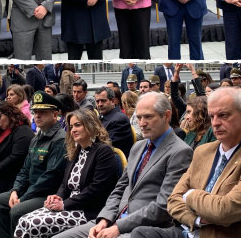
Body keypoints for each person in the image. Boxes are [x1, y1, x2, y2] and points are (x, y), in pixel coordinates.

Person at [55, 92, 193, 238]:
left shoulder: (180, 152)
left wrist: (119, 227)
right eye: (139, 117)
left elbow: (163, 206)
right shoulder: (138, 147)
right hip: (113, 219)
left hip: (143, 229)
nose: (142, 123)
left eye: (148, 116)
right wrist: (104, 219)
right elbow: (120, 188)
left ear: (166, 116)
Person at [151, 87, 241, 238]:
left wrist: (191, 195)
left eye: (223, 115)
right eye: (212, 116)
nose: (215, 123)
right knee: (141, 233)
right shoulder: (203, 151)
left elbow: (225, 211)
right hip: (192, 230)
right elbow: (173, 200)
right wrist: (197, 219)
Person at [13, 109, 120, 238]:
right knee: (23, 221)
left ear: (91, 125)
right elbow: (65, 184)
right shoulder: (76, 150)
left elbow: (97, 189)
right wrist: (57, 197)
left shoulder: (103, 151)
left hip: (88, 210)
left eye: (78, 125)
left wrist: (64, 204)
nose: (73, 130)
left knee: (32, 224)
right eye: (70, 126)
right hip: (69, 206)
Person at [0, 91, 67, 238]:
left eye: (43, 112)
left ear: (55, 114)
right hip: (30, 190)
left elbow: (50, 177)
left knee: (17, 210)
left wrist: (23, 198)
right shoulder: (37, 138)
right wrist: (15, 191)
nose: (37, 116)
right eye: (35, 112)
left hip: (47, 194)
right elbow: (24, 170)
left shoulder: (59, 139)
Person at [95, 87, 136, 156]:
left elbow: (106, 147)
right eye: (97, 101)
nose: (100, 104)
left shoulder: (119, 120)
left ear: (113, 101)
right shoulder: (101, 117)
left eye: (103, 101)